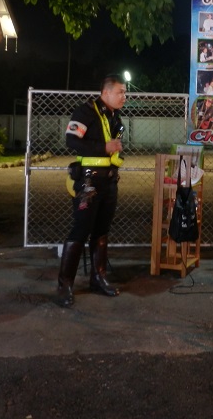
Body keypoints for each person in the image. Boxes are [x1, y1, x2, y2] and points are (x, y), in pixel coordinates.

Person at [57, 74, 127, 307]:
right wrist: (103, 147)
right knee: (81, 229)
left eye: (124, 92)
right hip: (89, 181)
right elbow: (71, 141)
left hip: (109, 182)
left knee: (102, 230)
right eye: (120, 92)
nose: (124, 97)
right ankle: (65, 285)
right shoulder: (86, 111)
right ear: (105, 92)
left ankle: (98, 279)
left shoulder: (114, 116)